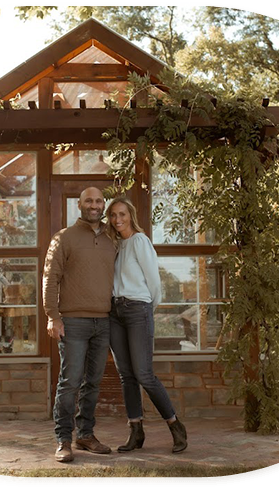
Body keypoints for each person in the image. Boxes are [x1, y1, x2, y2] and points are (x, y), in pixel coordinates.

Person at [105, 196, 188, 453]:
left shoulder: (140, 241)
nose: (117, 219)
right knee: (126, 375)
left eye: (122, 214)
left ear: (130, 215)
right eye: (113, 215)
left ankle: (175, 426)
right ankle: (136, 431)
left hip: (138, 309)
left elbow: (154, 282)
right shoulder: (115, 246)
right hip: (114, 312)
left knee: (144, 374)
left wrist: (147, 310)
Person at [43, 187, 117, 463]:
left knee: (93, 382)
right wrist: (53, 315)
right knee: (70, 382)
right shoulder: (63, 238)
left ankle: (85, 435)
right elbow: (50, 278)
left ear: (103, 205)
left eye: (99, 201)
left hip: (103, 320)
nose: (95, 205)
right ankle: (63, 440)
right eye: (89, 200)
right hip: (73, 321)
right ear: (79, 205)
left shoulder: (112, 238)